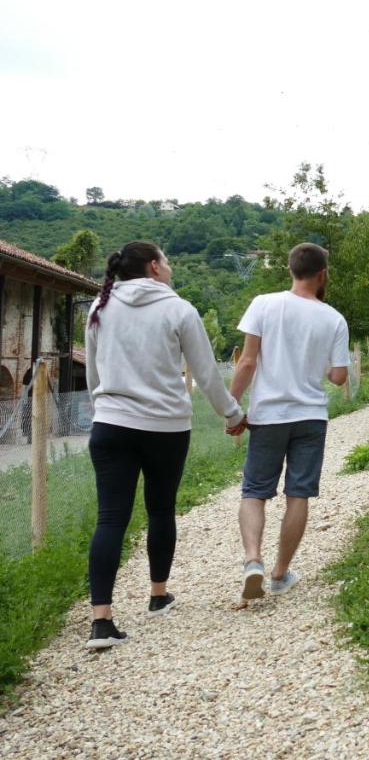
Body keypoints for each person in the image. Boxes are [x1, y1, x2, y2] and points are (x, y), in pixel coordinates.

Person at [84, 241, 245, 650]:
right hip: (165, 427)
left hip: (111, 425)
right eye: (167, 262)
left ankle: (101, 621)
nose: (170, 268)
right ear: (154, 267)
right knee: (160, 508)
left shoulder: (101, 306)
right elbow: (206, 373)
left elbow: (93, 373)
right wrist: (231, 413)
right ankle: (158, 595)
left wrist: (103, 412)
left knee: (110, 519)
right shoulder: (179, 309)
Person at [229, 242, 349, 602]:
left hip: (269, 416)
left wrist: (231, 407)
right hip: (310, 417)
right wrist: (319, 363)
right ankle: (280, 574)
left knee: (254, 491)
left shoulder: (263, 304)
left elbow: (247, 362)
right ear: (322, 274)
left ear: (290, 269)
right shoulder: (334, 318)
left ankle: (253, 560)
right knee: (298, 493)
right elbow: (339, 377)